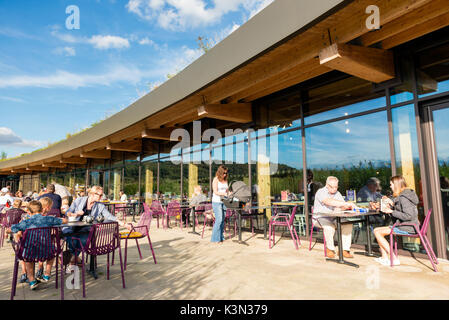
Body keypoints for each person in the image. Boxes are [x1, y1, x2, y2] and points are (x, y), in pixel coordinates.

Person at [64, 186, 131, 264]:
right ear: (92, 194)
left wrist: (124, 224)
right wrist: (75, 214)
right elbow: (67, 212)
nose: (101, 197)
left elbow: (110, 216)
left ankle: (70, 258)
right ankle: (75, 259)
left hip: (86, 230)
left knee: (83, 241)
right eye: (99, 195)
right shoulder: (79, 200)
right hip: (73, 227)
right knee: (71, 239)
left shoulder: (100, 206)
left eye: (102, 195)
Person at [9, 200, 68, 290]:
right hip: (46, 251)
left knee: (28, 261)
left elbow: (12, 229)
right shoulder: (48, 219)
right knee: (53, 253)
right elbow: (64, 220)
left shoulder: (27, 222)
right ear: (41, 209)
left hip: (30, 251)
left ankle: (32, 281)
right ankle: (47, 274)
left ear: (29, 211)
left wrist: (7, 230)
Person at [373, 175, 420, 266]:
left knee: (377, 232)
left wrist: (391, 211)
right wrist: (392, 204)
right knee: (376, 230)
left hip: (407, 227)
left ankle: (393, 258)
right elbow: (402, 210)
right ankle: (384, 257)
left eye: (391, 184)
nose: (390, 186)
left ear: (396, 185)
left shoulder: (404, 198)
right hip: (408, 225)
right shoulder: (405, 195)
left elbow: (408, 215)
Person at [313, 176, 357, 258]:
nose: (334, 189)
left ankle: (344, 250)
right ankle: (330, 249)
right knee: (330, 227)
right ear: (327, 185)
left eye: (336, 187)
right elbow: (328, 201)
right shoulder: (321, 192)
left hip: (334, 217)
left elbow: (342, 205)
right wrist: (345, 204)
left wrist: (347, 206)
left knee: (347, 224)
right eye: (332, 187)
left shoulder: (337, 193)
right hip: (320, 218)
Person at [211, 165, 231, 244]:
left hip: (224, 201)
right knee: (219, 220)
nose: (225, 175)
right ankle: (215, 239)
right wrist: (224, 194)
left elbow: (227, 190)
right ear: (220, 172)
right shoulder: (215, 179)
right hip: (217, 202)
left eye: (226, 173)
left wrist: (229, 193)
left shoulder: (225, 180)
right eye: (224, 173)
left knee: (222, 220)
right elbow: (215, 191)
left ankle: (220, 237)